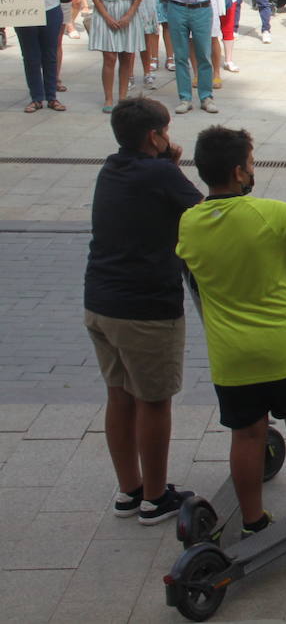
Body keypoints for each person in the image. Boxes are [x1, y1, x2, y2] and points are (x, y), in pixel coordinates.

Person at [177, 126, 286, 537]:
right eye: (251, 164)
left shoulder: (189, 223)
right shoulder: (271, 214)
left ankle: (253, 520)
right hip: (284, 345)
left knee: (248, 433)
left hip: (232, 357)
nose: (254, 171)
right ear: (238, 173)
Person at [85, 98, 202, 524]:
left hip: (100, 302)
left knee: (119, 395)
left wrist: (167, 167)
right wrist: (172, 167)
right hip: (145, 308)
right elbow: (205, 212)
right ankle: (155, 498)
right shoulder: (160, 172)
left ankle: (129, 490)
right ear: (155, 136)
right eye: (166, 130)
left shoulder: (111, 168)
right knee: (154, 401)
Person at [88, 0, 145, 112]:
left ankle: (122, 98)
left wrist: (129, 15)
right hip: (106, 12)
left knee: (127, 57)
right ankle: (108, 98)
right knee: (109, 58)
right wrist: (107, 16)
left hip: (128, 13)